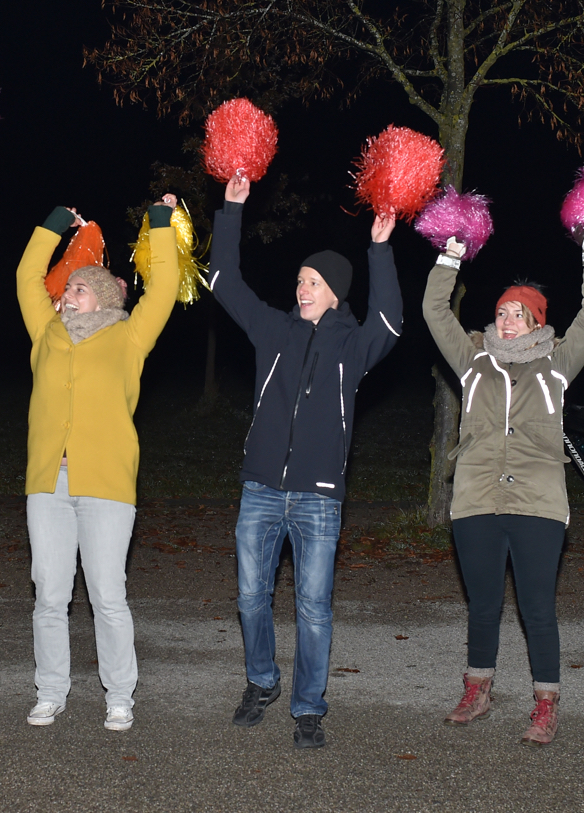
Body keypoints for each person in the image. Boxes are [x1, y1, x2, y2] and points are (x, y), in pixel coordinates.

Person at [209, 174, 402, 748]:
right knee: (250, 596)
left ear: (336, 292)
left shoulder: (354, 344)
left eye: (312, 281)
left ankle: (308, 707)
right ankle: (262, 681)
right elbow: (223, 280)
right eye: (298, 279)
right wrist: (231, 209)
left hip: (318, 495)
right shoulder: (274, 330)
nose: (301, 288)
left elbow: (390, 320)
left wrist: (380, 249)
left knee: (314, 608)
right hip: (262, 487)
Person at [422, 229, 584, 746]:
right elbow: (435, 310)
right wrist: (451, 254)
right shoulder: (473, 359)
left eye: (518, 314)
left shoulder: (557, 364)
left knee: (536, 609)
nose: (506, 320)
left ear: (537, 322)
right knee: (482, 606)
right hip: (478, 499)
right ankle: (477, 690)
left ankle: (545, 704)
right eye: (502, 311)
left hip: (538, 503)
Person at [16, 196, 179, 730]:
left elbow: (165, 288)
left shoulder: (130, 337)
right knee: (50, 595)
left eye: (79, 288)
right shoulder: (45, 333)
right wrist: (56, 222)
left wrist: (157, 222)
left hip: (107, 485)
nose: (67, 295)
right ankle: (51, 691)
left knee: (108, 596)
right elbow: (27, 274)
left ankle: (120, 696)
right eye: (66, 290)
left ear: (105, 295)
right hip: (48, 482)